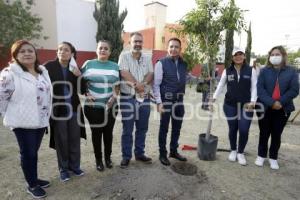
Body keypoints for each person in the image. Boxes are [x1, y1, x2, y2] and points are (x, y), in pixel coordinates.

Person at [0, 40, 52, 198]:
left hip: (41, 120)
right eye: (22, 51)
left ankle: (34, 178)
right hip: (22, 121)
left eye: (30, 50)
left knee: (33, 152)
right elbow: (1, 98)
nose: (27, 53)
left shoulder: (42, 71)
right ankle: (31, 184)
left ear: (35, 54)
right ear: (15, 55)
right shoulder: (9, 74)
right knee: (28, 153)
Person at [44, 42, 86, 182]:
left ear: (72, 54)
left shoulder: (74, 68)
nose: (62, 51)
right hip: (58, 111)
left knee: (74, 139)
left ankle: (75, 166)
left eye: (66, 50)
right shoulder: (48, 67)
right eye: (60, 49)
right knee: (61, 140)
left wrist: (79, 75)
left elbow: (82, 90)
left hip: (74, 110)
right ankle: (64, 169)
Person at [255, 46, 299, 169]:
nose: (274, 57)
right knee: (264, 133)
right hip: (264, 107)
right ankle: (261, 155)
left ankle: (273, 157)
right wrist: (271, 102)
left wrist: (280, 102)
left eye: (277, 54)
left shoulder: (292, 71)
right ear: (269, 57)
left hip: (283, 108)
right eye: (272, 54)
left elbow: (294, 90)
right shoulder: (264, 71)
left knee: (276, 134)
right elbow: (260, 89)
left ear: (283, 55)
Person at [213, 48, 257, 166]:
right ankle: (233, 150)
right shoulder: (227, 71)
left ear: (244, 56)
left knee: (243, 129)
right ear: (232, 57)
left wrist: (253, 101)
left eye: (240, 54)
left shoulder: (251, 70)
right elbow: (221, 85)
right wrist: (213, 97)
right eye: (236, 55)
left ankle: (240, 152)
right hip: (230, 105)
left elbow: (254, 87)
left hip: (246, 106)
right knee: (233, 129)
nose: (238, 57)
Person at [81, 40, 119, 171]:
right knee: (96, 134)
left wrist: (114, 97)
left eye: (106, 48)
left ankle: (108, 159)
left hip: (111, 106)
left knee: (108, 134)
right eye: (100, 48)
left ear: (110, 51)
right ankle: (98, 160)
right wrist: (86, 93)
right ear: (96, 50)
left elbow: (117, 85)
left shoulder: (115, 66)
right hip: (93, 108)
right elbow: (80, 81)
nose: (103, 50)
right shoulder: (88, 64)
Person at [118, 32, 153, 168]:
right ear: (130, 43)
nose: (138, 44)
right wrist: (137, 85)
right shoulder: (124, 56)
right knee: (127, 129)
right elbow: (124, 72)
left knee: (142, 128)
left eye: (140, 41)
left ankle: (139, 153)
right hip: (128, 98)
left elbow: (151, 73)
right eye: (135, 41)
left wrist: (142, 84)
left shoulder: (147, 57)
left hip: (144, 99)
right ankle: (126, 156)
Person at [153, 37, 188, 166]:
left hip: (179, 101)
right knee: (164, 128)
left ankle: (173, 151)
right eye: (171, 46)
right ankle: (162, 154)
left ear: (180, 49)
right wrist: (158, 102)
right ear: (167, 48)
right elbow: (156, 85)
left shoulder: (184, 64)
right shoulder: (161, 63)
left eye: (176, 47)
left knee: (177, 128)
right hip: (166, 101)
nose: (174, 49)